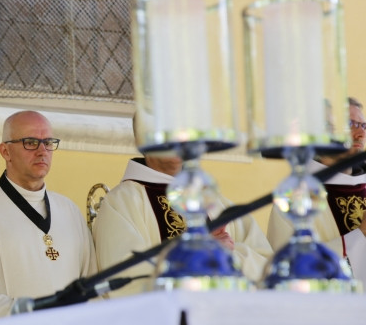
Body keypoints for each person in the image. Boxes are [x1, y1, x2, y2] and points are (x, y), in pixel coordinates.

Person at [92, 119, 272, 295]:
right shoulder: (121, 203)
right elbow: (124, 280)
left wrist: (225, 255)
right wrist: (198, 257)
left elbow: (268, 269)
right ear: (142, 140)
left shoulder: (219, 204)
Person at [0, 110, 96, 320]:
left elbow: (92, 285)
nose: (42, 151)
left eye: (48, 142)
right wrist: (33, 312)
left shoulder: (70, 211)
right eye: (30, 142)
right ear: (5, 151)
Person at [267, 97, 366, 273]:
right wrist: (358, 237)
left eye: (363, 125)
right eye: (350, 124)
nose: (361, 134)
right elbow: (290, 268)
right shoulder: (295, 196)